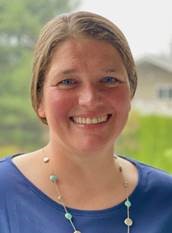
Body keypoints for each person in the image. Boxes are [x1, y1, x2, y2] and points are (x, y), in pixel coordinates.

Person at [0, 11, 172, 233]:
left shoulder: (166, 200)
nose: (90, 99)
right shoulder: (4, 193)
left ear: (130, 93)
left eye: (109, 80)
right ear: (39, 98)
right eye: (68, 81)